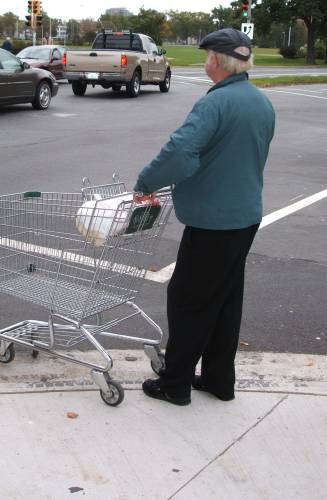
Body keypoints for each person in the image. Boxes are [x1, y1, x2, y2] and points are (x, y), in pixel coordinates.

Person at [133, 28, 276, 406]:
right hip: (245, 217)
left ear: (217, 60)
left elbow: (182, 151)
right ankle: (218, 379)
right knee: (225, 300)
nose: (205, 60)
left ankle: (174, 383)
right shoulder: (260, 102)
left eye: (208, 55)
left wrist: (146, 182)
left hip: (214, 222)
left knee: (189, 300)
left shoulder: (215, 104)